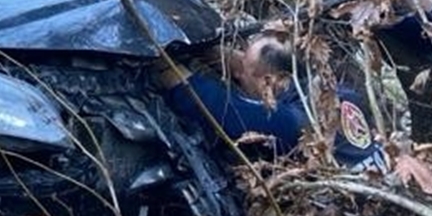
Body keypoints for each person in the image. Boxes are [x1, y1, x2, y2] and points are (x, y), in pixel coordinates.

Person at [156, 34, 385, 170]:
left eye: (242, 73)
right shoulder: (341, 93)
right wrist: (206, 48)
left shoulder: (295, 121)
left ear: (270, 81)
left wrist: (165, 66)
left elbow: (225, 110)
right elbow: (249, 63)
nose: (236, 76)